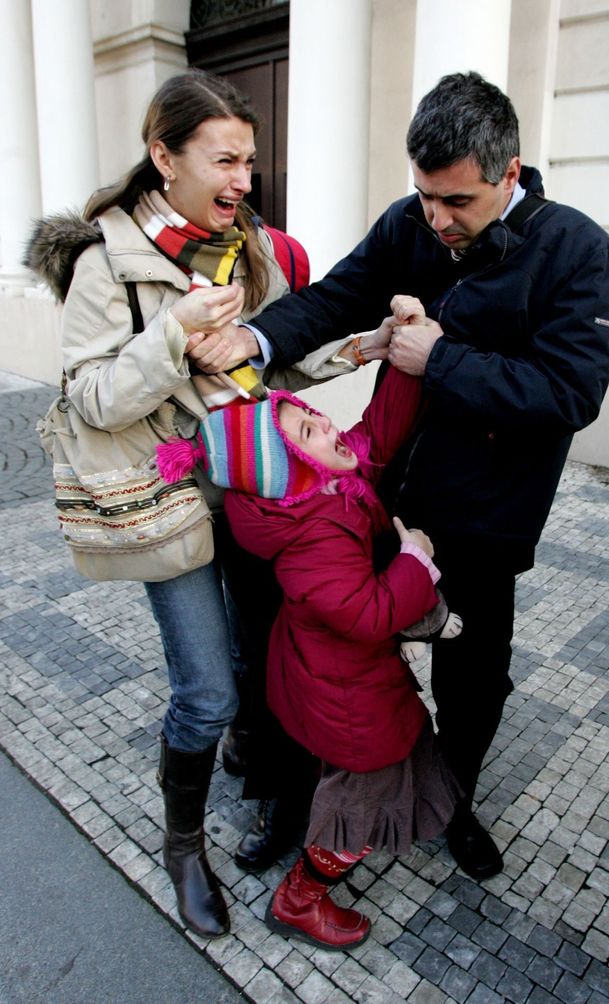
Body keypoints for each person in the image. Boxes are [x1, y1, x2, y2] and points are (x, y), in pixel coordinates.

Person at [215, 71, 609, 881]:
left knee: (473, 681)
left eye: (457, 203)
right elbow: (336, 295)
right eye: (424, 197)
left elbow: (569, 393)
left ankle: (453, 802)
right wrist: (257, 344)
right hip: (374, 499)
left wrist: (439, 358)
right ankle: (295, 804)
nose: (437, 220)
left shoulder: (579, 253)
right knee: (316, 664)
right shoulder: (411, 221)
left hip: (481, 522)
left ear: (509, 174)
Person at [24, 69, 360, 939]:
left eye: (249, 160)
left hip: (250, 489)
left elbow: (275, 361)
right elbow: (91, 398)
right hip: (166, 499)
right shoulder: (108, 262)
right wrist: (173, 341)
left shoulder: (249, 248)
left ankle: (261, 780)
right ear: (164, 156)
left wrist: (359, 347)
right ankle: (182, 848)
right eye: (225, 160)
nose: (244, 179)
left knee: (260, 663)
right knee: (206, 692)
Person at [156, 328, 462, 951]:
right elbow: (367, 614)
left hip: (345, 681)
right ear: (286, 469)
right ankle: (300, 899)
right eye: (305, 432)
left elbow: (375, 433)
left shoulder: (323, 482)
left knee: (370, 771)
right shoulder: (311, 536)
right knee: (360, 794)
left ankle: (318, 846)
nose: (326, 426)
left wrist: (406, 361)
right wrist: (414, 561)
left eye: (310, 416)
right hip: (348, 697)